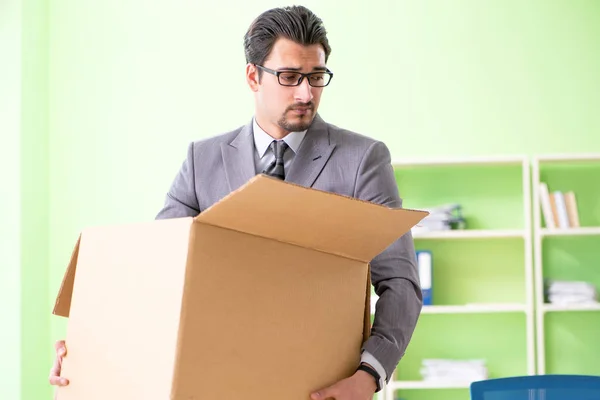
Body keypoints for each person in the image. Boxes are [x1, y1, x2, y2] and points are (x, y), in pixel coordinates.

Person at [49, 5, 422, 399]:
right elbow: (154, 276)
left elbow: (400, 283)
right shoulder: (201, 161)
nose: (306, 93)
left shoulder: (362, 160)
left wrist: (368, 376)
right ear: (252, 76)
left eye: (316, 77)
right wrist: (91, 346)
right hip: (218, 383)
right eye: (290, 76)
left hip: (321, 389)